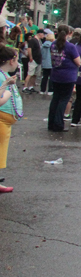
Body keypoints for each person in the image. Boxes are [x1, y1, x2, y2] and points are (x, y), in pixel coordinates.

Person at [47, 25, 81, 132]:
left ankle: (51, 122)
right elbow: (78, 62)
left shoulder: (53, 44)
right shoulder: (71, 46)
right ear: (69, 33)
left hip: (55, 74)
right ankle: (58, 123)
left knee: (56, 98)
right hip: (68, 76)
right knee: (64, 99)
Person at [0, 45, 23, 193]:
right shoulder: (1, 75)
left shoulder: (4, 74)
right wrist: (7, 92)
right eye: (16, 59)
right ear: (11, 60)